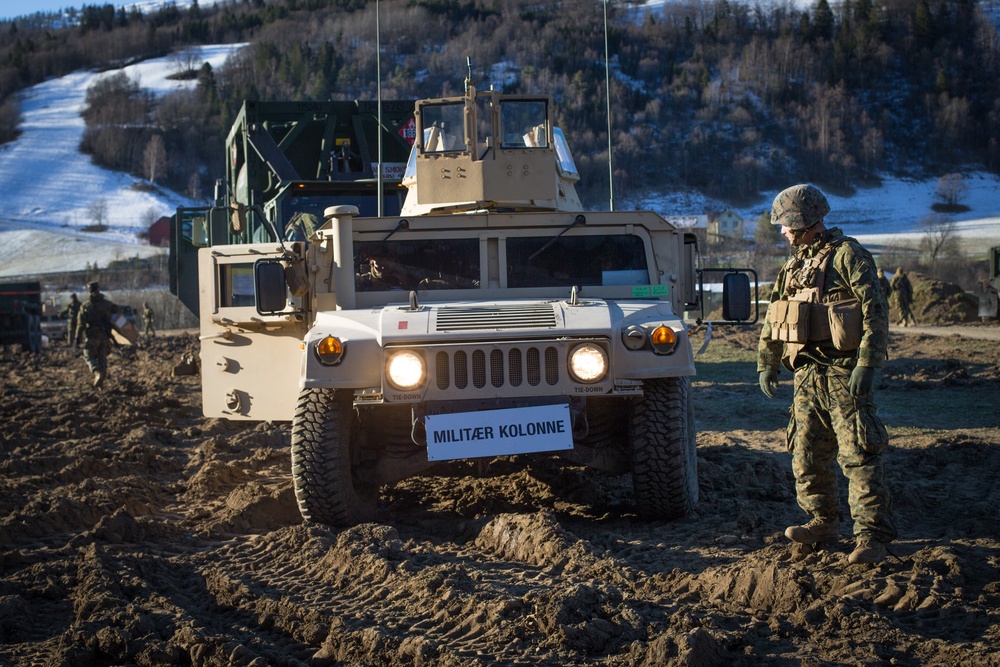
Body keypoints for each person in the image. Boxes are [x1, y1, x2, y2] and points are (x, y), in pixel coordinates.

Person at [758, 184, 896, 565]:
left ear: (803, 221)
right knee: (805, 455)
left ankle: (871, 536)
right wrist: (767, 363)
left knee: (858, 454)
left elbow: (875, 312)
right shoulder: (793, 266)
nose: (783, 232)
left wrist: (868, 363)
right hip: (807, 375)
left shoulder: (849, 256)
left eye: (785, 224)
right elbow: (775, 317)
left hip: (843, 373)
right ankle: (822, 522)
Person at [76, 281, 120, 388]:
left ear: (88, 290)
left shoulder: (85, 305)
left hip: (92, 335)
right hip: (105, 335)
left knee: (88, 355)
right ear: (98, 289)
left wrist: (77, 338)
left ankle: (97, 372)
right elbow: (119, 314)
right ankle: (101, 381)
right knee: (102, 357)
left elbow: (80, 324)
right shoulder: (108, 304)